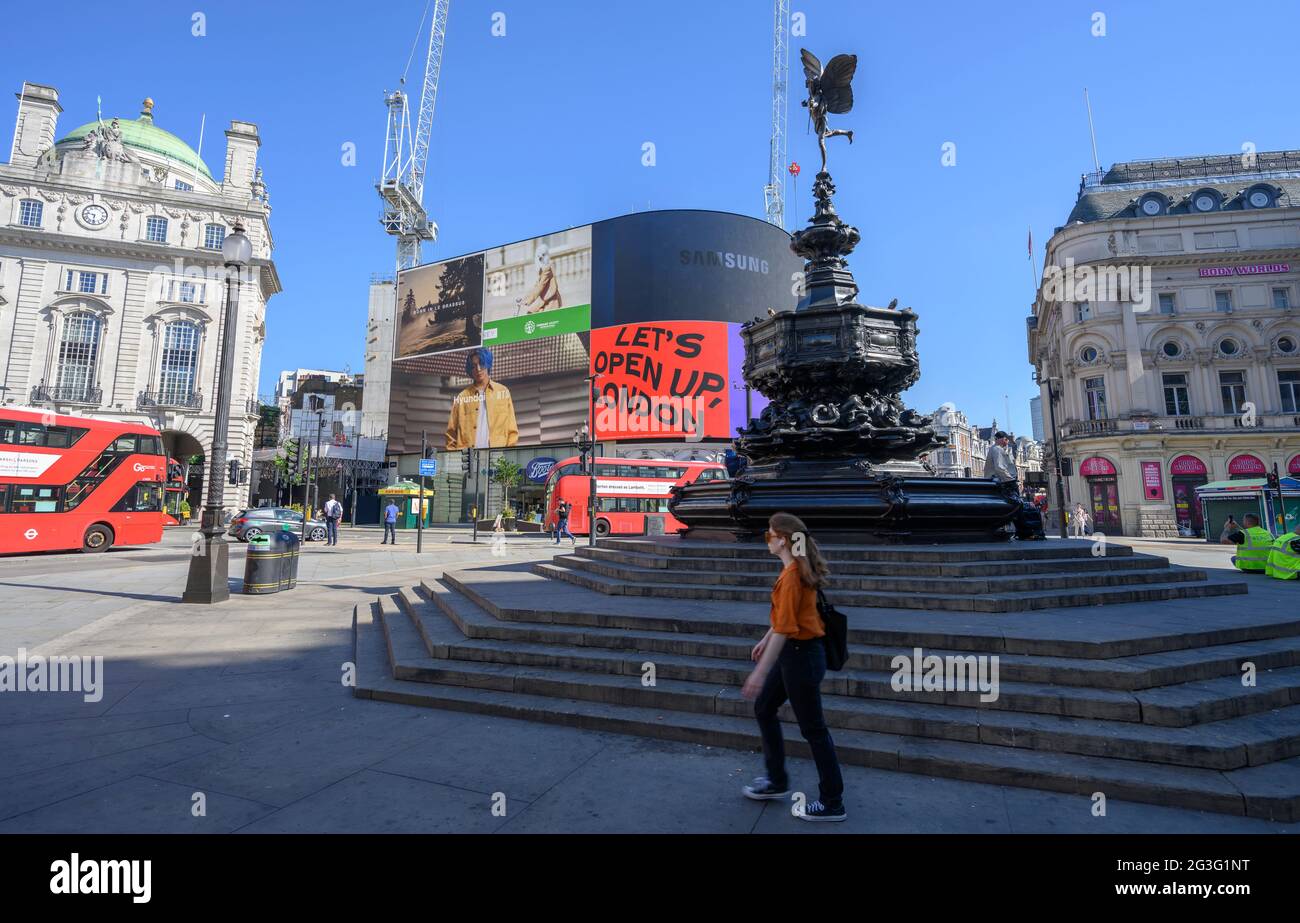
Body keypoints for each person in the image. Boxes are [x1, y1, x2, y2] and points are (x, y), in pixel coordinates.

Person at [742, 512, 846, 823]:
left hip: (800, 657)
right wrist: (765, 637)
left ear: (783, 540)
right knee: (764, 708)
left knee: (814, 730)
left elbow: (787, 627)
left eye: (769, 535)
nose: (767, 540)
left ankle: (832, 801)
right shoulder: (797, 568)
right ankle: (776, 780)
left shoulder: (792, 576)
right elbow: (787, 617)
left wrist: (759, 673)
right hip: (798, 654)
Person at [445, 348, 519, 451]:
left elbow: (512, 431)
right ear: (470, 369)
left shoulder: (502, 392)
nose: (478, 369)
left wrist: (509, 457)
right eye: (474, 366)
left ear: (488, 365)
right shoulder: (462, 397)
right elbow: (451, 435)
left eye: (482, 364)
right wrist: (455, 462)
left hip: (497, 458)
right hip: (468, 460)